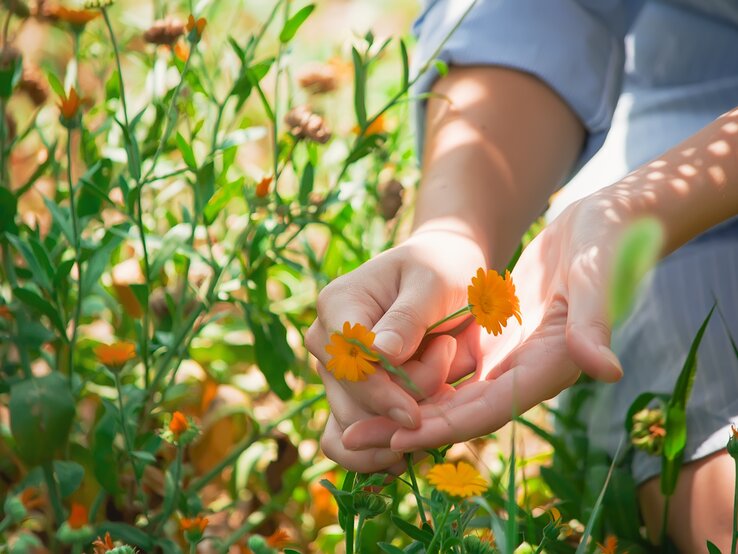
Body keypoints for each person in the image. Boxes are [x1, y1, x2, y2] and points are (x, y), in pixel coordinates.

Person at [305, 0, 738, 550]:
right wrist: (455, 234)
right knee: (720, 506)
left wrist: (649, 203)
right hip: (690, 139)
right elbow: (541, 12)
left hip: (681, 188)